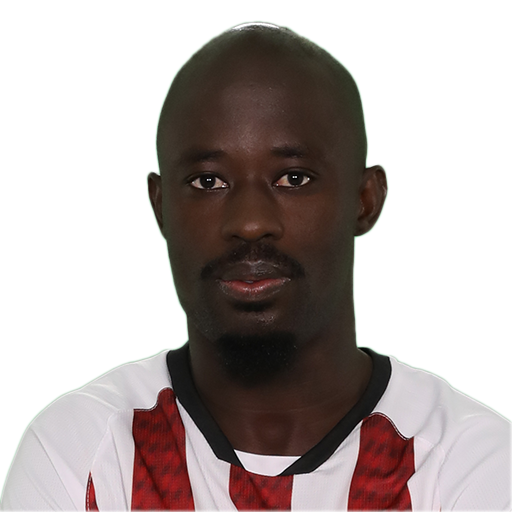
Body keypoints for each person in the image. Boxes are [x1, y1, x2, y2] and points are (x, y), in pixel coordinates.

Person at [1, 22, 512, 512]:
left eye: (293, 178)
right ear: (160, 207)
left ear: (365, 200)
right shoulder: (81, 454)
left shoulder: (475, 467)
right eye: (208, 182)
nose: (249, 223)